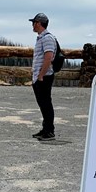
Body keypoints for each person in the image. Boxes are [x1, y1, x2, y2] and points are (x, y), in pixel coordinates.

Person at [29, 12, 59, 140]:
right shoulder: (42, 38)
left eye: (34, 22)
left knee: (46, 103)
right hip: (40, 76)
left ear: (39, 23)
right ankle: (46, 128)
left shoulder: (47, 38)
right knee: (43, 103)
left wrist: (41, 75)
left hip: (44, 76)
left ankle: (49, 131)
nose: (32, 25)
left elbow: (48, 58)